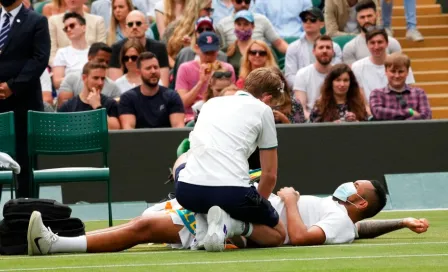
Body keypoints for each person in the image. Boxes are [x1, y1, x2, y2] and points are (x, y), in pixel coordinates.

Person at [27, 154, 430, 255]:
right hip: (249, 212)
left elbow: (304, 238)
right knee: (144, 222)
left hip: (258, 224)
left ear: (358, 200)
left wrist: (288, 200)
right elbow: (361, 229)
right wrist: (401, 221)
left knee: (143, 229)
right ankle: (222, 228)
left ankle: (55, 244)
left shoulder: (339, 220)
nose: (347, 183)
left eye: (354, 185)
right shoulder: (346, 221)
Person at [175, 67, 286, 252]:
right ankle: (232, 225)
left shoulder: (210, 103)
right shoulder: (264, 110)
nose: (272, 109)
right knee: (279, 235)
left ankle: (202, 223)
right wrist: (252, 214)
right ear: (266, 98)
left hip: (187, 193)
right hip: (232, 195)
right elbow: (269, 176)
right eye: (273, 104)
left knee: (183, 163)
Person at [0, 0, 50, 197]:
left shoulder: (36, 21)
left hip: (23, 104)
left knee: (25, 162)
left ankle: (26, 215)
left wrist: (12, 86)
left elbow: (40, 59)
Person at [58, 62, 121, 130]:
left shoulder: (110, 103)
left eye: (103, 79)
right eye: (96, 78)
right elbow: (58, 131)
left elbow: (114, 130)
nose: (100, 82)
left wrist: (98, 107)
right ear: (84, 78)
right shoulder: (69, 106)